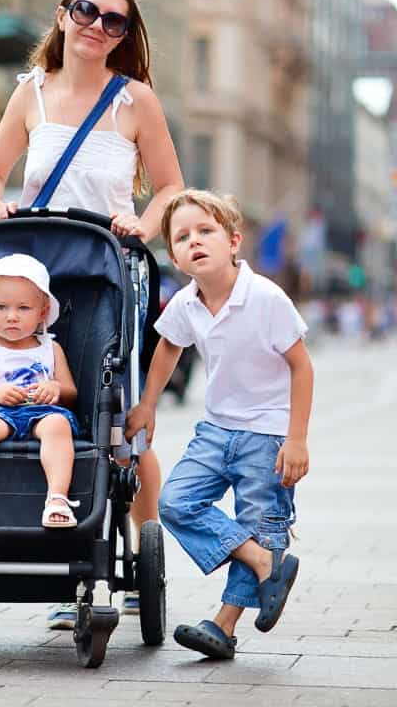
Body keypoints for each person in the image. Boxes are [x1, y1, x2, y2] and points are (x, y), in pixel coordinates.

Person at [0, 0, 185, 626]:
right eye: (86, 11)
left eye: (114, 20)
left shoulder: (135, 100)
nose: (97, 25)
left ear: (125, 35)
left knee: (118, 422)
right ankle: (65, 557)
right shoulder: (30, 94)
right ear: (63, 16)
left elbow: (172, 188)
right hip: (37, 271)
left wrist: (143, 226)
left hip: (111, 270)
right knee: (47, 409)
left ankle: (134, 557)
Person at [127, 190, 312, 660]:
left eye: (205, 231)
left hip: (267, 435)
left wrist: (296, 440)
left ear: (233, 241)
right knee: (174, 502)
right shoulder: (187, 304)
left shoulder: (266, 298)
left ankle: (223, 626)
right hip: (215, 431)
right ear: (174, 256)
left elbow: (302, 367)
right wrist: (147, 405)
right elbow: (168, 346)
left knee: (260, 521)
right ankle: (263, 562)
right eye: (183, 237)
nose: (195, 242)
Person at [0, 254, 82, 529]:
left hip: (43, 411)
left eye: (23, 308)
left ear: (43, 312)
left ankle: (57, 499)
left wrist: (54, 388)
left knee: (59, 425)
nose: (11, 316)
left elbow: (71, 392)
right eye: (1, 307)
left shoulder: (51, 347)